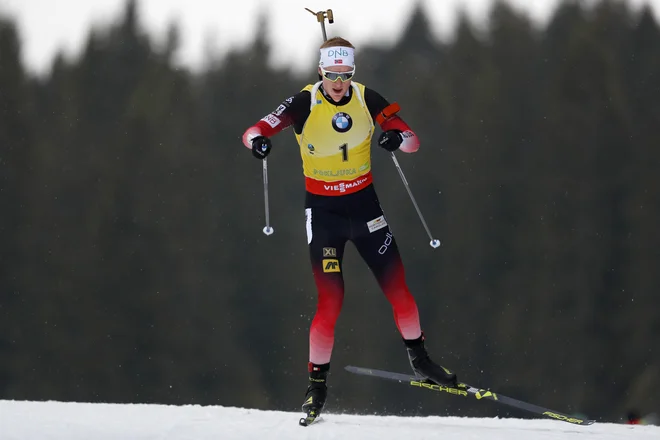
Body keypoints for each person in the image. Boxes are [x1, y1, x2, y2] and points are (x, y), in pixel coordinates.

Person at [241, 37, 457, 419]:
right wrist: (258, 143)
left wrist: (394, 137)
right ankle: (316, 387)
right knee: (330, 301)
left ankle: (420, 359)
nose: (339, 83)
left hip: (364, 207)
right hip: (323, 214)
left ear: (352, 73)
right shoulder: (304, 101)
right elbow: (255, 129)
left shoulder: (366, 98)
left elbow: (413, 141)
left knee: (398, 287)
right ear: (320, 71)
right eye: (332, 74)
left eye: (345, 74)